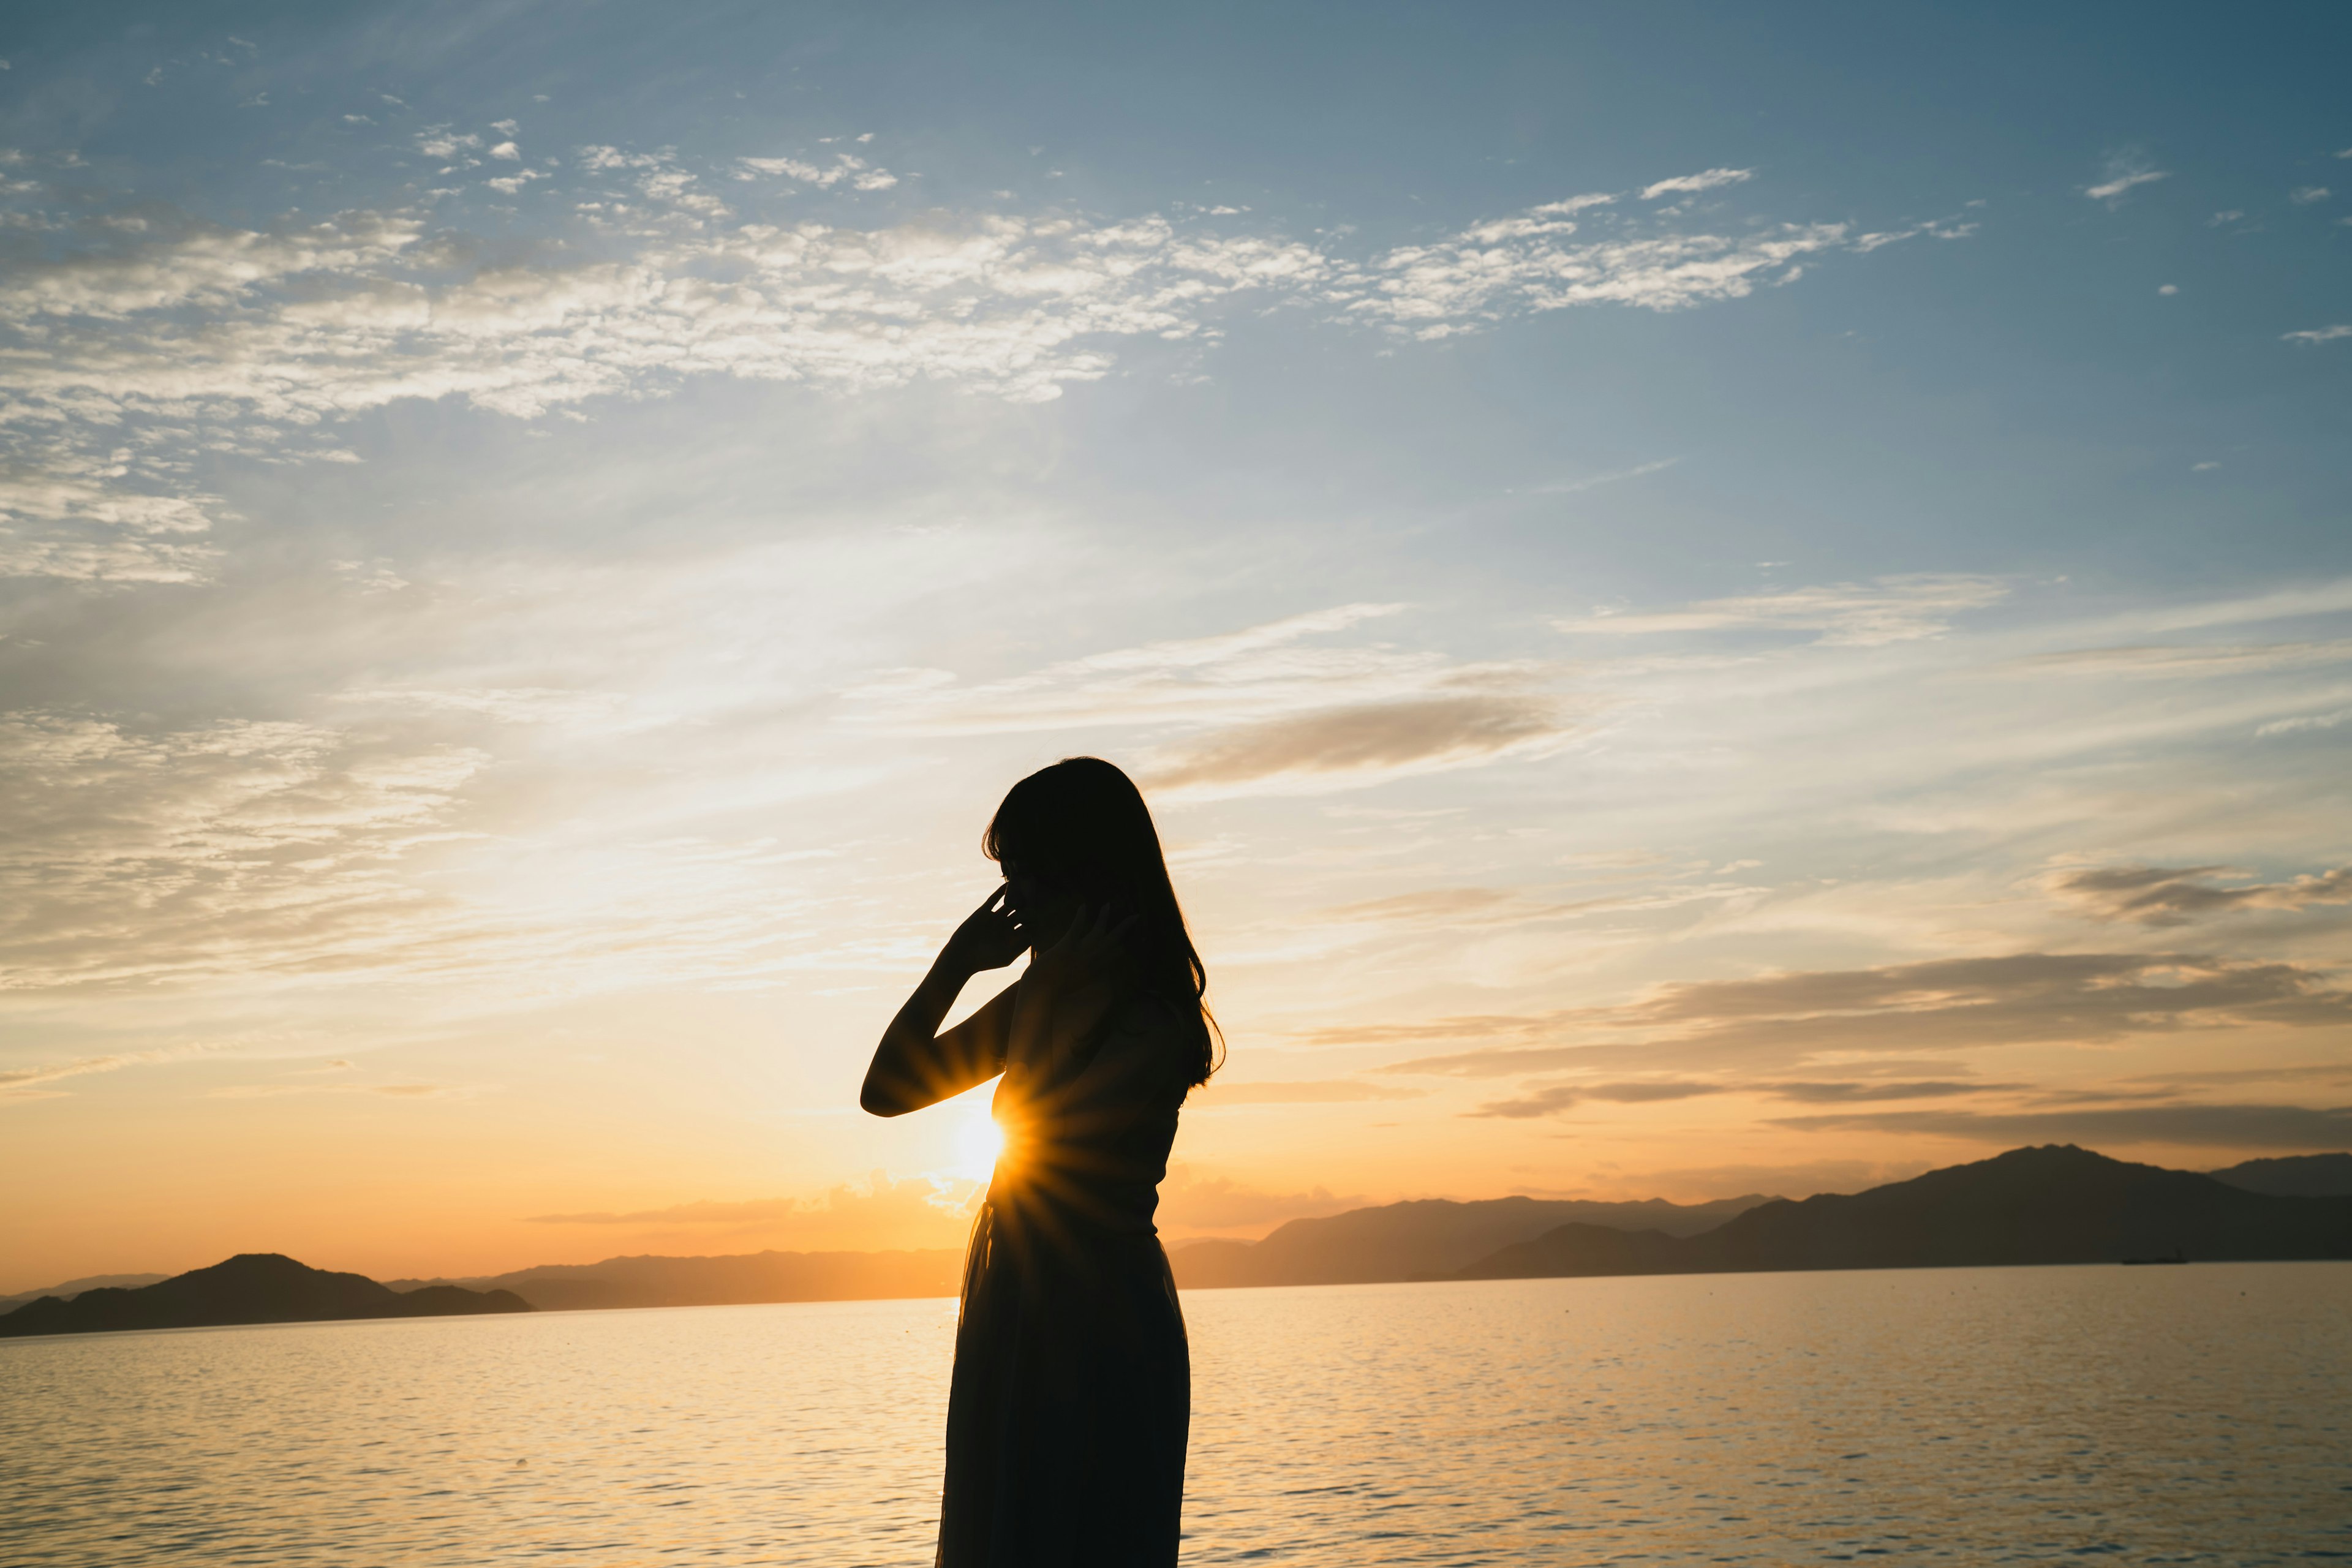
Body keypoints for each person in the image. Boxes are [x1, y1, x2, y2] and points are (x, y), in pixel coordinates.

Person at [861, 756, 1219, 1568]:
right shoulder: (1045, 993)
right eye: (1006, 876)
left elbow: (1035, 1139)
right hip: (1019, 1304)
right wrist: (957, 959)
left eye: (1028, 874)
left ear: (1084, 873)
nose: (1013, 900)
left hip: (1095, 1316)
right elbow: (886, 1091)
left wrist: (1049, 994)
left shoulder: (1154, 1020)